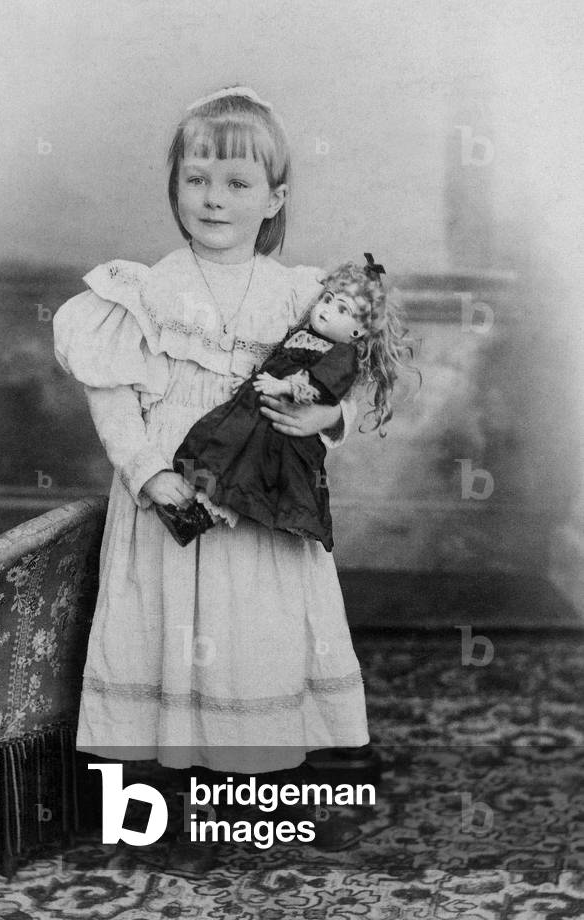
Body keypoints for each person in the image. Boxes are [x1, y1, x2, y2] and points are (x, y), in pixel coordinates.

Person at [53, 86, 379, 852]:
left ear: (275, 199)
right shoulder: (140, 291)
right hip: (172, 478)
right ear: (174, 185)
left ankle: (248, 782)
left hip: (262, 494)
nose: (214, 198)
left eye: (237, 184)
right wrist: (144, 471)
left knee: (255, 624)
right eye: (197, 179)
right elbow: (113, 397)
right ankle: (163, 787)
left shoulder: (303, 296)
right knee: (165, 619)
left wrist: (325, 418)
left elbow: (361, 382)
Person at [158, 254, 412, 552]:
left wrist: (284, 386)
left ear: (357, 332)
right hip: (251, 412)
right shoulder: (300, 335)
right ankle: (194, 509)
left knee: (249, 473)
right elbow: (274, 362)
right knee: (220, 452)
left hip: (278, 430)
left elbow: (322, 385)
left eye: (342, 310)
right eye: (328, 300)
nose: (328, 311)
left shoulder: (341, 355)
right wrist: (252, 382)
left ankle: (205, 515)